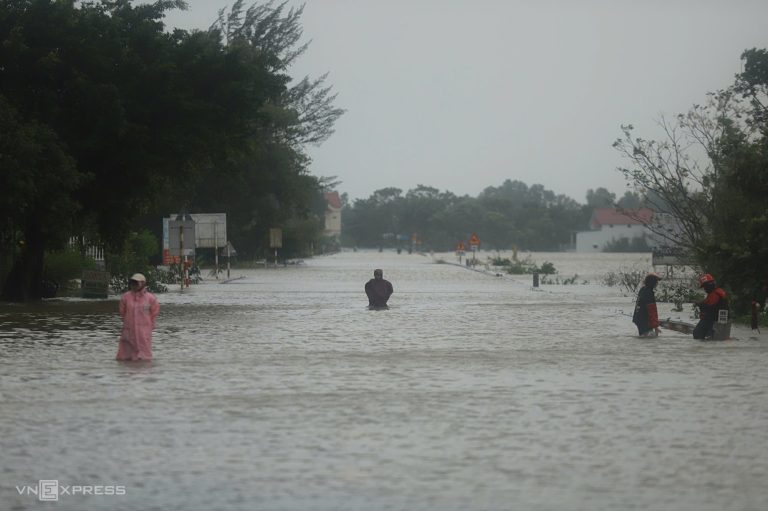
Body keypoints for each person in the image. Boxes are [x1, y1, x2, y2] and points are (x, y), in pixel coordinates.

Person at [117, 273, 160, 361]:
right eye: (132, 282)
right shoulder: (126, 297)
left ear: (143, 283)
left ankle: (143, 372)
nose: (134, 285)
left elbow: (154, 312)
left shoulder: (150, 298)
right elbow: (122, 312)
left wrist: (149, 324)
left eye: (136, 283)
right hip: (128, 329)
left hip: (144, 330)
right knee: (125, 356)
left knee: (144, 357)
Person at [693, 273, 727, 340]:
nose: (704, 289)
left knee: (697, 333)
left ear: (709, 285)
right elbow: (708, 303)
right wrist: (700, 303)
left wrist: (700, 305)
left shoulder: (714, 295)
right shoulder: (717, 292)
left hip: (712, 320)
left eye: (705, 287)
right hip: (718, 320)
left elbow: (709, 307)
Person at [633, 272, 662, 337]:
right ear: (652, 282)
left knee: (644, 338)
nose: (657, 283)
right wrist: (656, 327)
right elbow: (652, 311)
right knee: (650, 338)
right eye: (656, 282)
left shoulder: (643, 290)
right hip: (644, 320)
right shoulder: (649, 293)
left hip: (638, 318)